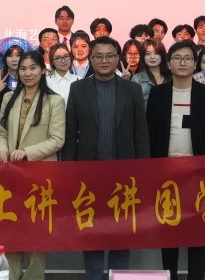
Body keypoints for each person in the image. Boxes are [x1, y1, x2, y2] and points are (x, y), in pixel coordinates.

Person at [63, 36, 149, 280]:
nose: (104, 60)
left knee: (121, 232)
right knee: (92, 231)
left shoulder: (132, 89)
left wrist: (143, 171)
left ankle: (118, 276)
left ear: (117, 58)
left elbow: (141, 134)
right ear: (90, 59)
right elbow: (71, 133)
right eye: (98, 56)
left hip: (124, 175)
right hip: (89, 175)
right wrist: (69, 171)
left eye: (109, 56)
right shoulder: (78, 88)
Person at [147, 40, 205, 280]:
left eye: (188, 58)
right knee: (168, 232)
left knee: (196, 234)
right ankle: (169, 276)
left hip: (197, 174)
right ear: (168, 63)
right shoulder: (158, 93)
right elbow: (150, 134)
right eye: (177, 58)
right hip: (165, 172)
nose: (182, 63)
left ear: (195, 63)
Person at [0, 50, 66, 280]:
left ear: (43, 71)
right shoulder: (8, 98)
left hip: (40, 177)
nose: (27, 73)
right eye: (23, 69)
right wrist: (1, 148)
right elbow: (1, 132)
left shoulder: (54, 101)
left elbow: (57, 140)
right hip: (11, 175)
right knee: (11, 233)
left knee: (37, 237)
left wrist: (27, 153)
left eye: (33, 68)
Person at [0, 44, 24, 125]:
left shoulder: (28, 80)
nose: (14, 60)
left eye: (18, 55)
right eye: (10, 56)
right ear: (5, 59)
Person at [130, 39, 169, 104]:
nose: (152, 57)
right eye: (148, 54)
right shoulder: (137, 79)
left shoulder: (171, 77)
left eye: (156, 53)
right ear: (143, 56)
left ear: (162, 55)